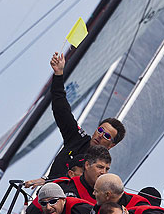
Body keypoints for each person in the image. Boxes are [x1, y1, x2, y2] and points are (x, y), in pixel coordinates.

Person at [24, 52, 125, 188]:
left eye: (106, 136)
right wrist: (59, 74)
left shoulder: (103, 167)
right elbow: (62, 111)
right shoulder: (77, 139)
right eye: (100, 130)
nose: (100, 135)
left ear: (111, 145)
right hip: (49, 197)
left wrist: (48, 181)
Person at [15, 146, 111, 214]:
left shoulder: (104, 196)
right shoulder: (64, 188)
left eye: (107, 169)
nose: (103, 172)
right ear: (87, 165)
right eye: (100, 167)